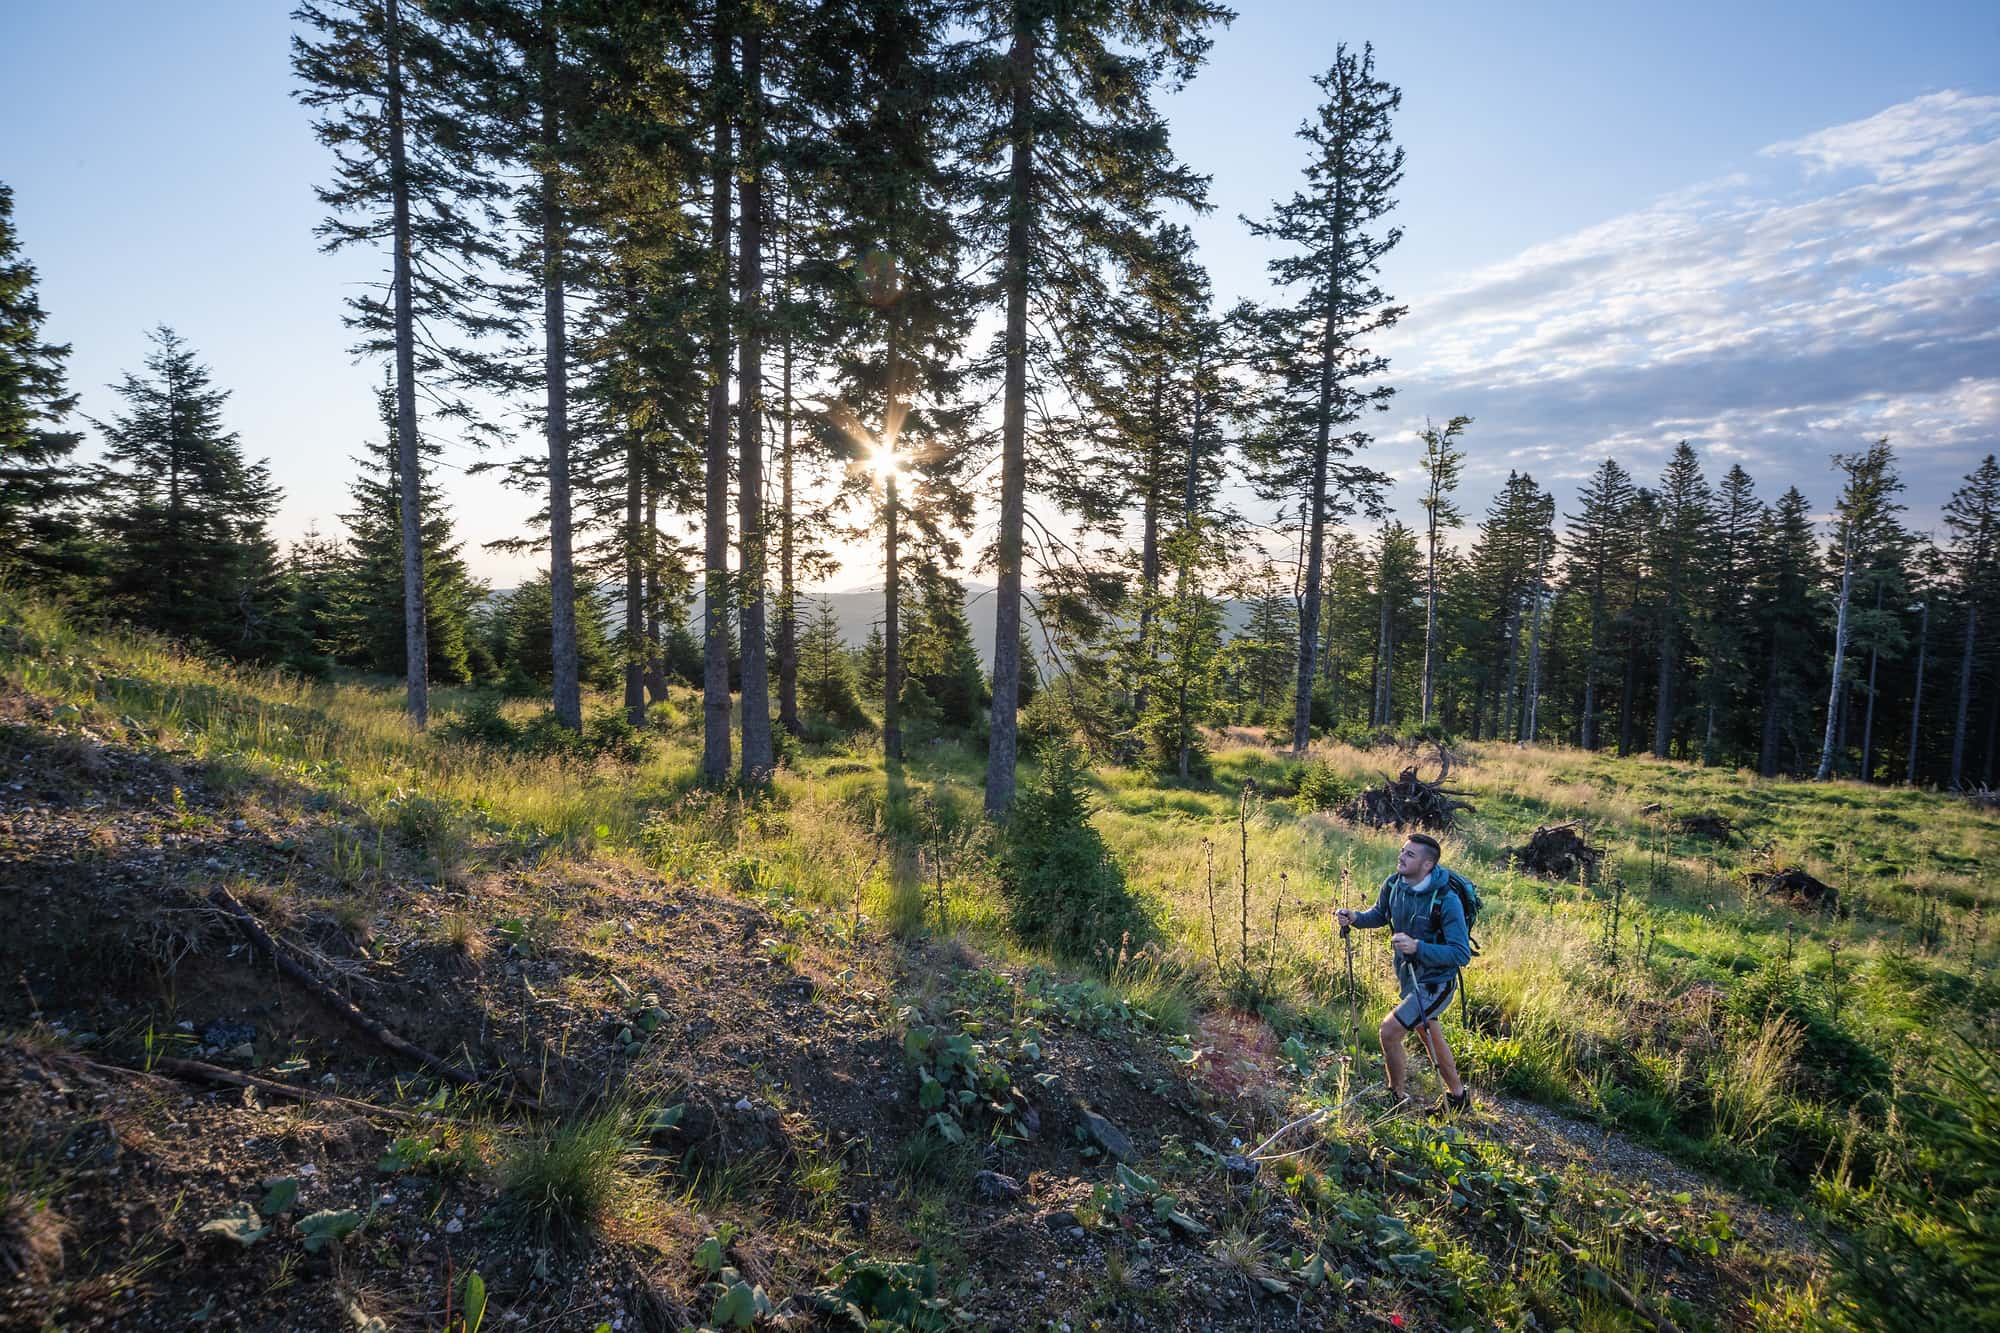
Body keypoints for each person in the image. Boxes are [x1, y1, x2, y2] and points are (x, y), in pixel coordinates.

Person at [1334, 832, 1473, 1115]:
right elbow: (1380, 914)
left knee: (1389, 1031)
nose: (1401, 856)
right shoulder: (1394, 883)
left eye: (1410, 854)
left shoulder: (1446, 900)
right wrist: (1356, 918)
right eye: (1402, 851)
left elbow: (1461, 954)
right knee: (1428, 1032)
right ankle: (1458, 1097)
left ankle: (1395, 1097)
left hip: (1436, 983)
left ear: (1427, 865)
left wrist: (1417, 947)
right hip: (1409, 977)